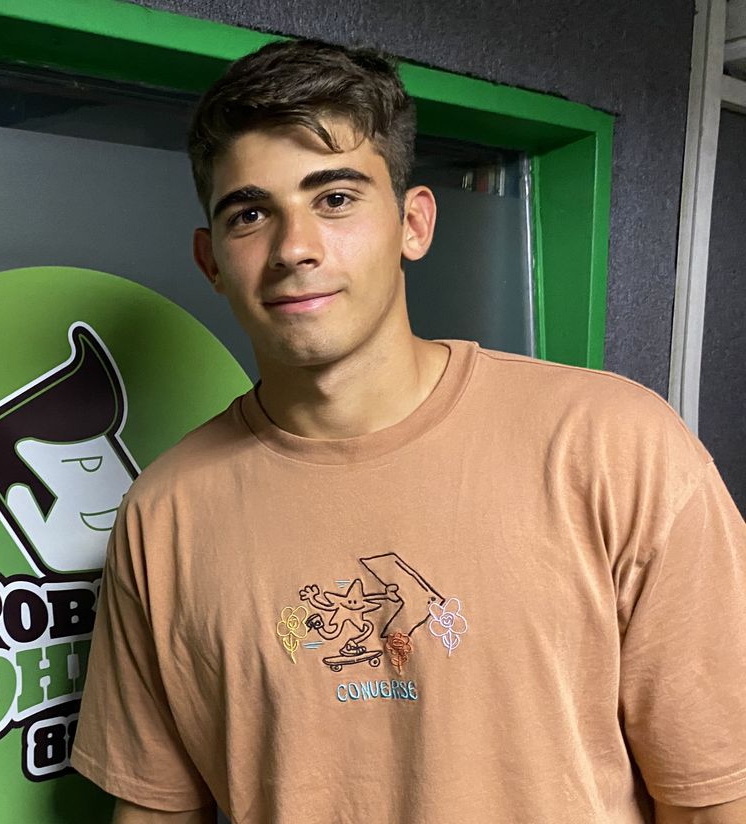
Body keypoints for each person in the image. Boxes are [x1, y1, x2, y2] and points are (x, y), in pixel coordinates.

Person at [70, 38, 746, 824]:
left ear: (413, 224)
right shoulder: (166, 514)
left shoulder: (612, 445)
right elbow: (154, 811)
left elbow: (714, 797)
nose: (294, 249)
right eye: (250, 214)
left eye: (335, 198)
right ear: (212, 260)